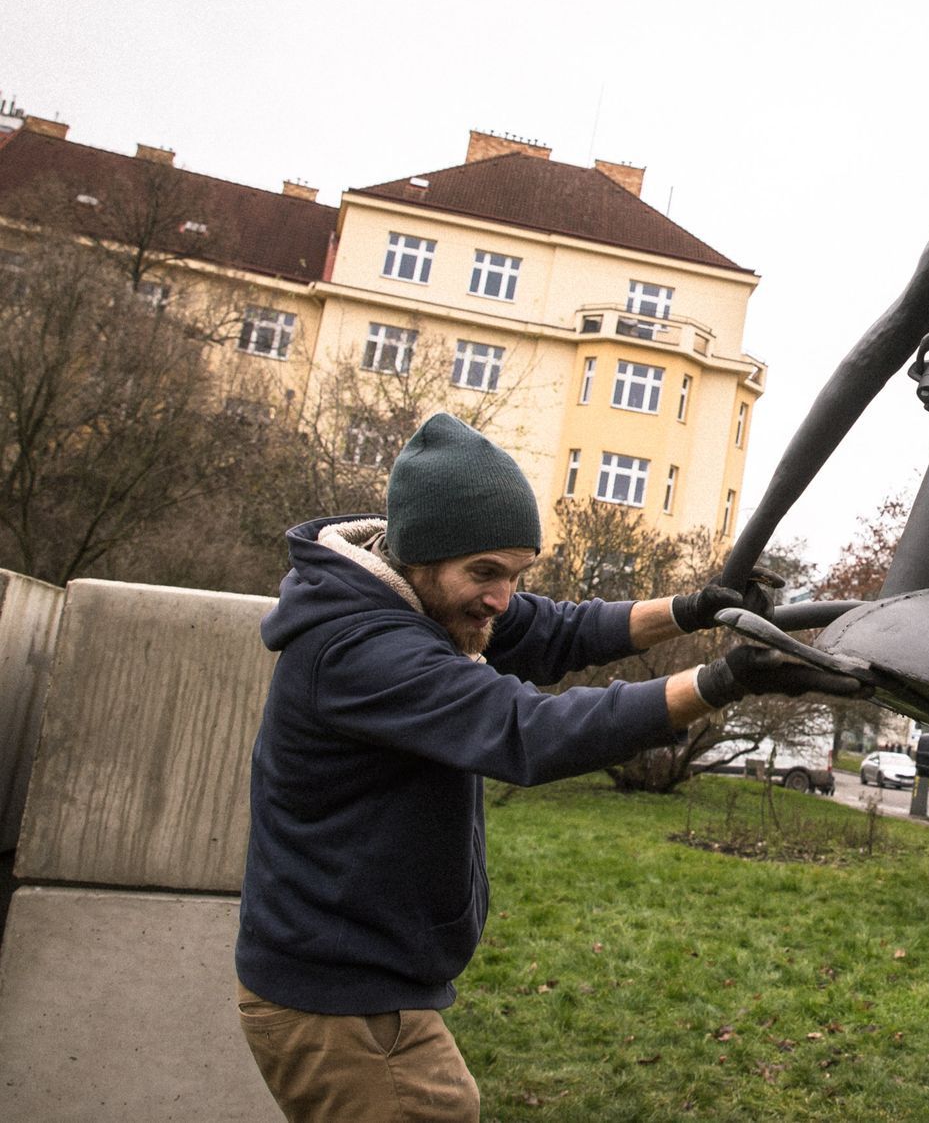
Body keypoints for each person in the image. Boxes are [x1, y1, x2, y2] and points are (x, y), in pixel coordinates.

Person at [234, 412, 860, 1121]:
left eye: (516, 573)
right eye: (486, 574)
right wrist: (725, 682)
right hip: (336, 1004)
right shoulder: (360, 649)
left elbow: (554, 629)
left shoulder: (413, 598)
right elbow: (528, 731)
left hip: (366, 984)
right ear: (420, 554)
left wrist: (692, 610)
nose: (501, 597)